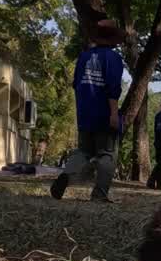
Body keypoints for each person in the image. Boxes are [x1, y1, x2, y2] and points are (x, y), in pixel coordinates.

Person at [51, 19, 125, 203]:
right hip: (104, 114)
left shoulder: (83, 57)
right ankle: (99, 194)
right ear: (114, 39)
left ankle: (66, 175)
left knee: (83, 151)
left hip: (85, 113)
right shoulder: (113, 58)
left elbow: (76, 84)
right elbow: (113, 88)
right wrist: (114, 114)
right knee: (106, 154)